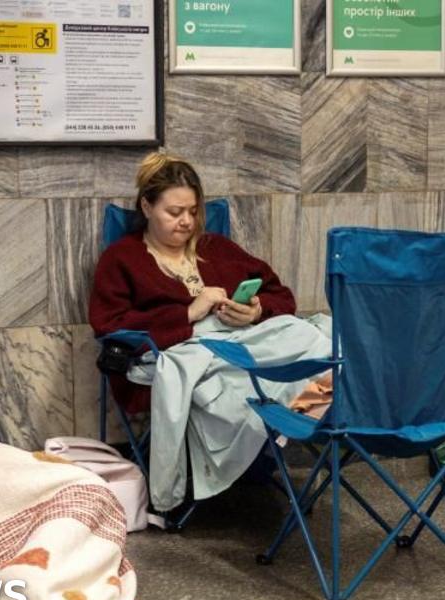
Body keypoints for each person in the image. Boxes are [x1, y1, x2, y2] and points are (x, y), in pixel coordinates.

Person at [88, 152, 331, 512]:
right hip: (182, 351)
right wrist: (189, 313)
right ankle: (272, 430)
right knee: (226, 383)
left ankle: (297, 415)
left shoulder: (216, 248)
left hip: (245, 342)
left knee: (320, 334)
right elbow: (109, 326)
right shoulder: (122, 258)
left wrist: (254, 310)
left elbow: (281, 296)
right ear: (147, 206)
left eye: (193, 211)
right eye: (174, 212)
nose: (187, 221)